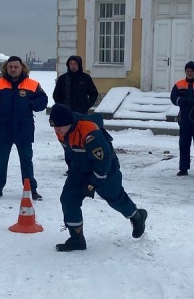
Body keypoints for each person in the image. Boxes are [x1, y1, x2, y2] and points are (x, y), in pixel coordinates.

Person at [49, 103, 147, 251]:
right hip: (80, 168)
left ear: (69, 123)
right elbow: (69, 151)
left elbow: (103, 161)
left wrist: (93, 183)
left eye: (59, 127)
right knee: (68, 198)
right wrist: (72, 170)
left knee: (115, 198)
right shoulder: (62, 130)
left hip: (105, 168)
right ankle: (77, 239)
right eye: (54, 128)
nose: (56, 131)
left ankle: (137, 216)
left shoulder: (90, 133)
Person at [0, 56, 48, 200]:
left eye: (15, 67)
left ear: (22, 68)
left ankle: (31, 190)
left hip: (23, 127)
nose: (13, 69)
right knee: (1, 160)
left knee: (26, 161)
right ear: (6, 68)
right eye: (10, 67)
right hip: (3, 127)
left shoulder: (32, 84)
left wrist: (31, 104)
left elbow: (43, 100)